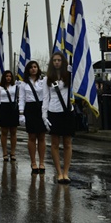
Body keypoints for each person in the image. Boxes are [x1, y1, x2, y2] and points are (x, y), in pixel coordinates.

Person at [42, 52, 74, 184]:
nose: (56, 62)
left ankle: (66, 172)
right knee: (55, 144)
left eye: (59, 60)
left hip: (67, 111)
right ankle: (59, 172)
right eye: (54, 60)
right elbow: (45, 97)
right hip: (53, 111)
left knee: (67, 143)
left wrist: (74, 71)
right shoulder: (47, 79)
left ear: (63, 62)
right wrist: (44, 115)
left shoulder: (69, 76)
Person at [20, 60, 47, 174]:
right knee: (32, 136)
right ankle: (33, 162)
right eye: (31, 67)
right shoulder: (23, 84)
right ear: (28, 70)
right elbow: (21, 98)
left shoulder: (43, 81)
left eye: (35, 67)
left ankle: (41, 162)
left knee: (41, 136)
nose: (33, 69)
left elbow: (46, 96)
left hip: (41, 108)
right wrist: (21, 113)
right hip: (30, 109)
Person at [0, 70, 24, 162]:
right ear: (4, 77)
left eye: (10, 76)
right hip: (4, 108)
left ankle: (13, 152)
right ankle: (4, 153)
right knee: (4, 132)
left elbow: (21, 98)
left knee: (13, 132)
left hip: (13, 109)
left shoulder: (16, 87)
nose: (8, 78)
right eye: (7, 76)